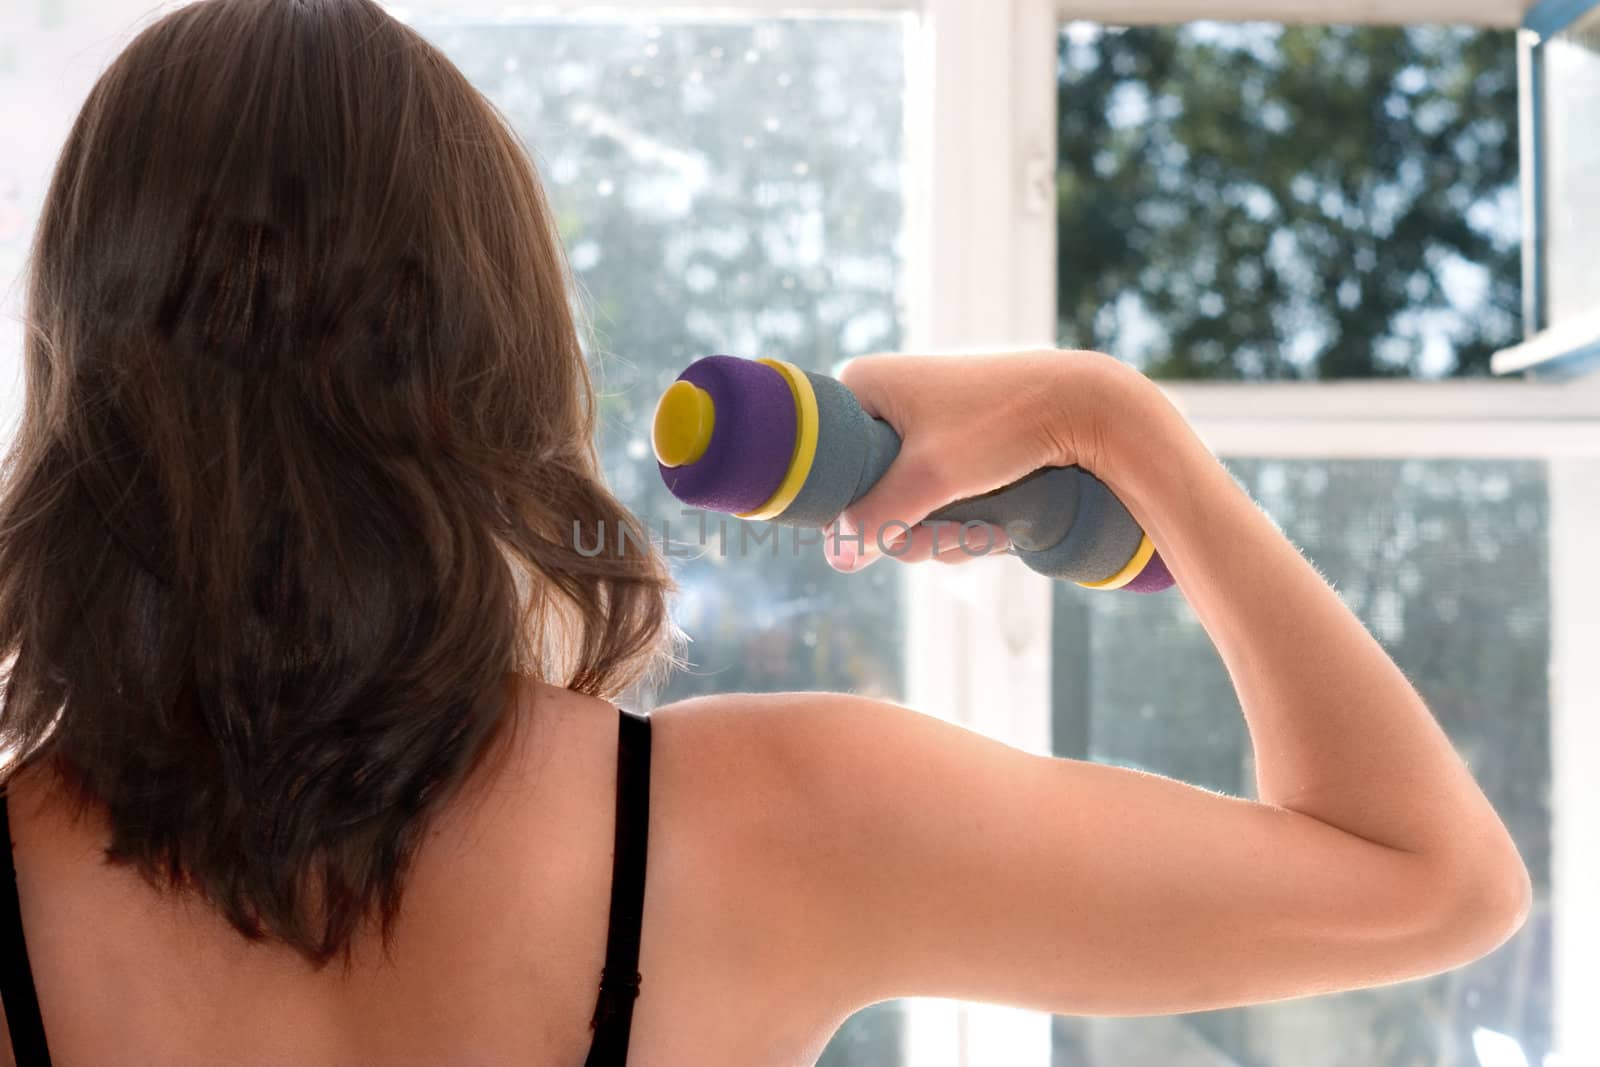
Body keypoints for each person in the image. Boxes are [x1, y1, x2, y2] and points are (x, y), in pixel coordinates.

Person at [0, 0, 1530, 1063]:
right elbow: (1435, 880)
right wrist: (1114, 421)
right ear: (499, 364)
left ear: (80, 375)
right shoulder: (769, 822)